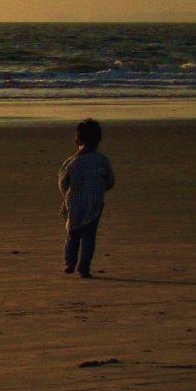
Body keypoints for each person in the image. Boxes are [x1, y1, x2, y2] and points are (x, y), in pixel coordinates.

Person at [58, 117, 113, 278]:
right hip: (94, 203)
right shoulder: (102, 160)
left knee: (72, 235)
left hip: (74, 203)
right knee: (89, 237)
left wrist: (68, 194)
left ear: (77, 139)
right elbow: (110, 181)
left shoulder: (71, 162)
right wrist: (101, 189)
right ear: (98, 140)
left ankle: (69, 262)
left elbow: (63, 183)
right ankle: (84, 267)